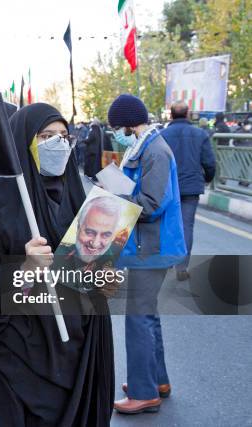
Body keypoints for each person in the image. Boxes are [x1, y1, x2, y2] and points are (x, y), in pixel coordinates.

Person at [0, 103, 114, 427]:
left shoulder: (81, 202)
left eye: (63, 136)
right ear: (23, 141)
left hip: (73, 357)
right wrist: (24, 268)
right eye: (46, 136)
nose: (58, 143)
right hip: (13, 362)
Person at [108, 94, 186, 415]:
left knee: (138, 319)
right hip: (146, 246)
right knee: (148, 317)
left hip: (151, 248)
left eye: (117, 127)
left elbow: (151, 205)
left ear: (130, 124)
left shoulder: (156, 151)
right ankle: (157, 380)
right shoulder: (141, 147)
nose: (116, 133)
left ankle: (143, 393)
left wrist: (115, 193)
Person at [161, 101, 216, 281]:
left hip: (168, 187)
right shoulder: (200, 134)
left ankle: (167, 260)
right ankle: (182, 267)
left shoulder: (162, 135)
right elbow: (209, 162)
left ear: (171, 115)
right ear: (187, 114)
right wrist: (207, 179)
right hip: (191, 187)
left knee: (168, 224)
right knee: (186, 226)